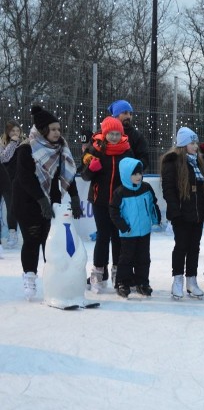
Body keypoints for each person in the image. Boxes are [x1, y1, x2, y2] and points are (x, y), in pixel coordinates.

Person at [15, 106, 82, 300]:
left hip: (52, 203)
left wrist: (75, 197)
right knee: (32, 240)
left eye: (59, 129)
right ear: (43, 130)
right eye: (53, 129)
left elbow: (67, 174)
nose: (57, 133)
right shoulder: (27, 149)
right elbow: (25, 178)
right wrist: (41, 199)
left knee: (51, 243)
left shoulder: (61, 148)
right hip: (28, 202)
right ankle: (29, 276)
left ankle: (52, 281)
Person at [81, 116, 134, 293]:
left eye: (117, 133)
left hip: (119, 203)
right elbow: (85, 176)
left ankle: (118, 274)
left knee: (118, 238)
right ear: (104, 134)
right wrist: (91, 169)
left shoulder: (126, 150)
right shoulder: (96, 149)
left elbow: (133, 173)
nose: (114, 137)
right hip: (100, 201)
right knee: (103, 236)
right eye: (110, 133)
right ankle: (98, 272)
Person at [160, 127, 204, 300]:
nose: (196, 146)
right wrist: (175, 212)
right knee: (181, 247)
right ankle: (178, 280)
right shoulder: (172, 162)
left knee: (194, 248)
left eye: (196, 143)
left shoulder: (199, 163)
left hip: (197, 215)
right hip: (181, 215)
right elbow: (168, 189)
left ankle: (191, 280)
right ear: (183, 144)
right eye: (192, 143)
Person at [108, 158, 162, 298]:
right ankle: (123, 282)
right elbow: (114, 211)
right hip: (128, 233)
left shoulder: (146, 188)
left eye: (140, 173)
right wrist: (124, 227)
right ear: (126, 175)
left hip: (144, 231)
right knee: (126, 258)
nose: (139, 177)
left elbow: (152, 204)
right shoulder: (120, 192)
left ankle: (142, 282)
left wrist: (156, 220)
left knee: (143, 258)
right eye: (135, 174)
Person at [107, 100, 149, 170]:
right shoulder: (105, 133)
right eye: (125, 113)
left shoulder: (137, 136)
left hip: (128, 178)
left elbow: (144, 158)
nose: (128, 116)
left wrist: (134, 167)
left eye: (130, 114)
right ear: (116, 115)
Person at [1, 121, 22, 248]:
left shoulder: (23, 144)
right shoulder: (2, 143)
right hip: (2, 178)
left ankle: (13, 234)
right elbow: (4, 158)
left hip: (15, 181)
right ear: (8, 132)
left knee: (12, 207)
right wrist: (12, 144)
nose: (15, 133)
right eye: (13, 131)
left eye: (17, 131)